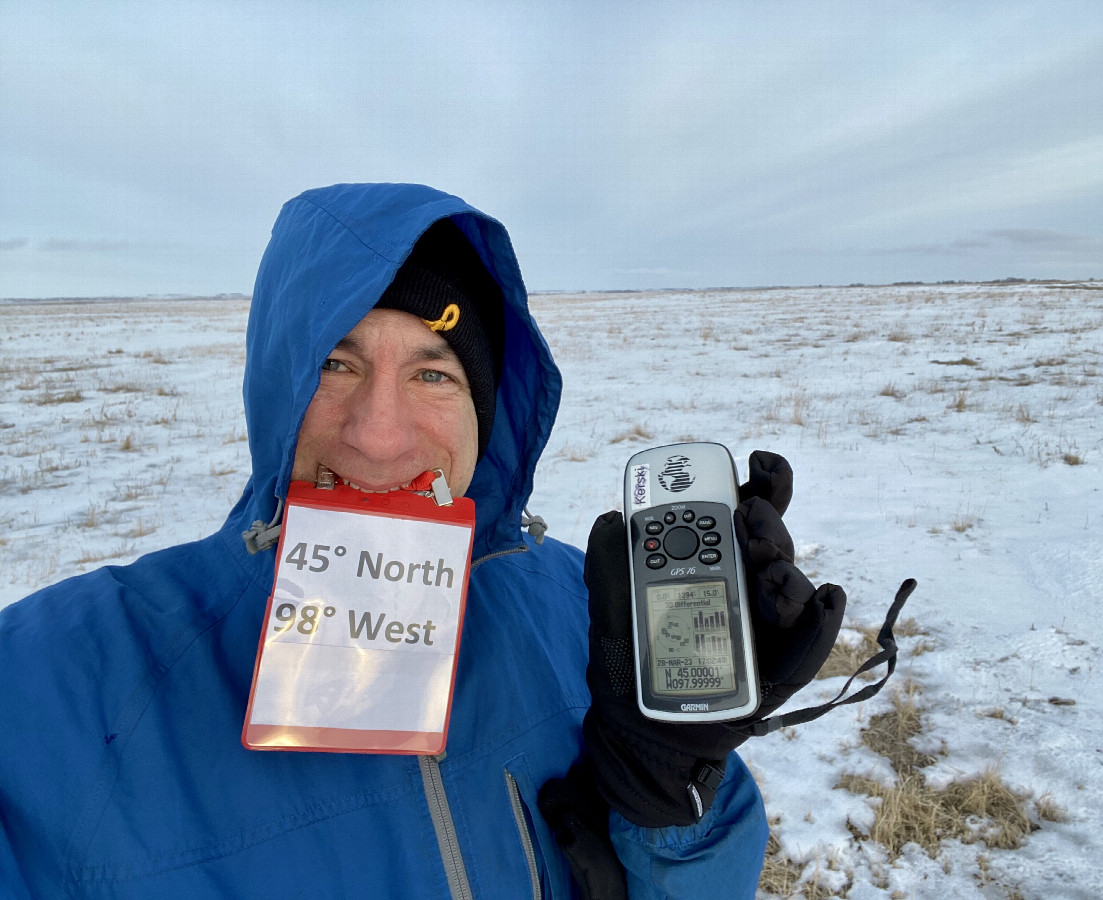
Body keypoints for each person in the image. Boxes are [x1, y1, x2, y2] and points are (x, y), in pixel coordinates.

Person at [0, 183, 854, 899]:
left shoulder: (582, 612)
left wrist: (669, 795)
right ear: (276, 383)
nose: (377, 436)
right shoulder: (64, 679)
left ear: (488, 412)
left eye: (434, 372)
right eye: (335, 363)